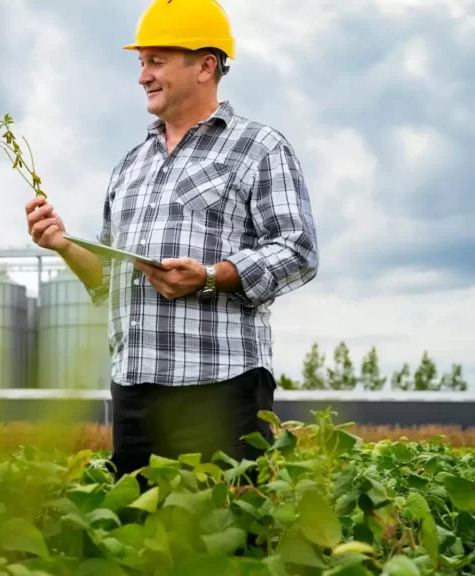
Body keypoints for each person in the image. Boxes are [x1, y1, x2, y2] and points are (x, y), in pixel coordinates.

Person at [24, 0, 319, 487]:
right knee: (139, 550)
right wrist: (62, 245)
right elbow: (109, 285)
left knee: (225, 547)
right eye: (141, 63)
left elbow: (298, 250)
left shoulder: (259, 147)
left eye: (156, 60)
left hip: (220, 389)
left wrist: (209, 277)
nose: (143, 76)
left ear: (205, 65)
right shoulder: (130, 165)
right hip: (135, 391)